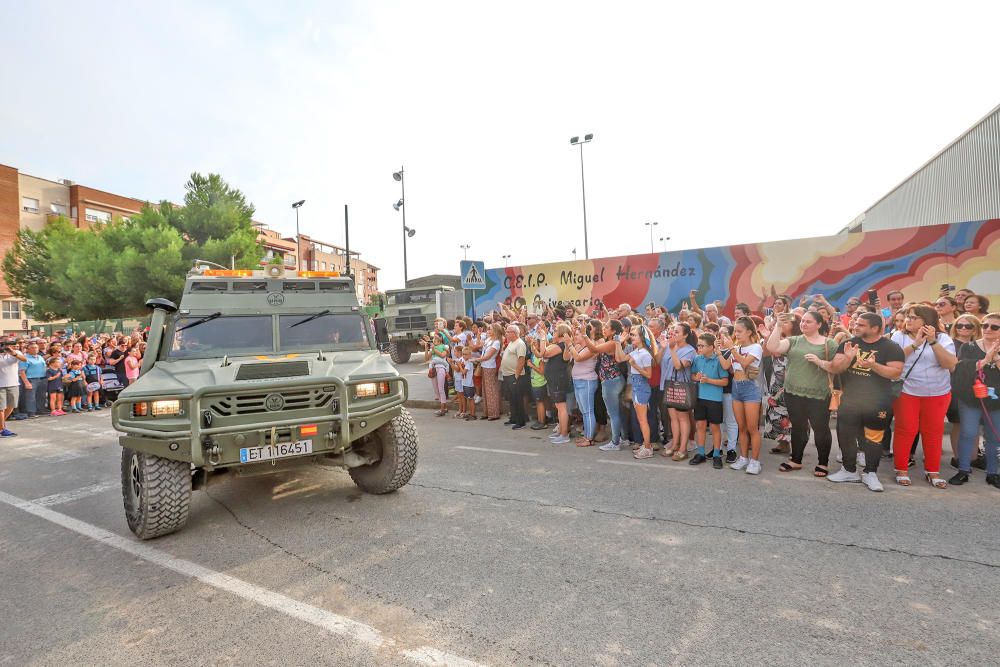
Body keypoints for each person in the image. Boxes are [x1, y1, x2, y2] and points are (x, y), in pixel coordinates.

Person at [824, 312, 905, 491]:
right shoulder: (848, 344)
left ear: (874, 328)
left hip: (878, 402)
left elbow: (895, 373)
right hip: (850, 399)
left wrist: (873, 365)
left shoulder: (891, 347)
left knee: (873, 440)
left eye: (861, 325)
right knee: (846, 435)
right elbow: (835, 368)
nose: (855, 326)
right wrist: (848, 358)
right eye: (856, 323)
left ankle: (870, 473)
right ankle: (849, 470)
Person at [890, 304, 958, 488]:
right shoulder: (899, 336)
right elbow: (894, 359)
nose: (908, 320)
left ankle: (933, 471)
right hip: (907, 391)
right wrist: (915, 344)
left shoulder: (943, 338)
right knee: (906, 430)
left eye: (914, 317)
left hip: (938, 393)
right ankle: (901, 469)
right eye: (908, 317)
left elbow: (949, 364)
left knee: (934, 432)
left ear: (927, 321)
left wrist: (933, 341)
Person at [765, 311, 837, 476]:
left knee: (821, 429)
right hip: (793, 392)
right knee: (798, 427)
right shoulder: (794, 340)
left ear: (819, 324)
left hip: (819, 394)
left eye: (809, 322)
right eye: (803, 321)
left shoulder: (829, 344)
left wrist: (820, 362)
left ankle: (823, 463)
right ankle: (795, 460)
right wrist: (778, 326)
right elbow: (772, 347)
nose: (804, 324)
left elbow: (836, 367)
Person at [948, 312, 1000, 489]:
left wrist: (997, 358)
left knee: (993, 437)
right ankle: (963, 470)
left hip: (996, 400)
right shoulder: (969, 347)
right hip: (970, 398)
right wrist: (985, 360)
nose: (988, 329)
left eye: (994, 327)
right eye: (985, 325)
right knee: (968, 433)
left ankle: (993, 473)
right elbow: (961, 370)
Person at [725, 317, 764, 474]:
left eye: (740, 331)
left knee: (752, 428)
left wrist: (732, 349)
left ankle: (755, 462)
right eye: (735, 331)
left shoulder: (756, 347)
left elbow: (746, 363)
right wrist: (720, 349)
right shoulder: (736, 347)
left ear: (749, 332)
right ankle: (743, 458)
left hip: (751, 388)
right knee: (741, 427)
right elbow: (728, 367)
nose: (737, 334)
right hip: (736, 386)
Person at [614, 325, 657, 459]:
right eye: (631, 334)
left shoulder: (644, 353)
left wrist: (635, 366)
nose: (631, 336)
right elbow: (620, 358)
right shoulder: (636, 351)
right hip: (637, 387)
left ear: (642, 337)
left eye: (634, 335)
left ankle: (648, 448)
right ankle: (646, 445)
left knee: (643, 420)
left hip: (641, 388)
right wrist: (617, 343)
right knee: (641, 419)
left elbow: (649, 375)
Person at [584, 320, 627, 452]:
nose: (604, 329)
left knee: (613, 414)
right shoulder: (614, 341)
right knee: (617, 412)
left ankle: (615, 442)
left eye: (607, 327)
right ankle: (622, 438)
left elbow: (594, 349)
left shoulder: (612, 343)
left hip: (610, 381)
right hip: (614, 380)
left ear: (614, 331)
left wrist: (584, 336)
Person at [762, 313, 800, 455]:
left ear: (795, 325)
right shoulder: (775, 336)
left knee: (794, 412)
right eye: (781, 321)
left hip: (795, 379)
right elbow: (766, 353)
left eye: (787, 321)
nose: (783, 323)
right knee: (777, 410)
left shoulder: (799, 340)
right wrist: (767, 336)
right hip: (777, 379)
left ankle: (796, 444)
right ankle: (782, 442)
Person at [690, 333, 727, 467]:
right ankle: (700, 453)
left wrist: (708, 380)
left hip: (714, 399)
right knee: (700, 426)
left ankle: (717, 454)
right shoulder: (697, 359)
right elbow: (693, 375)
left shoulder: (718, 360)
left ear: (711, 347)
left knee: (714, 427)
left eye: (702, 346)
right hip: (699, 398)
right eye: (698, 345)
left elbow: (725, 381)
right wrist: (696, 377)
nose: (699, 348)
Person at [662, 323, 697, 460]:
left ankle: (683, 448)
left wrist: (671, 350)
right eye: (673, 331)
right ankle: (674, 444)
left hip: (682, 386)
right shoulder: (672, 346)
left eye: (677, 332)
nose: (673, 334)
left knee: (683, 418)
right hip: (670, 385)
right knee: (673, 418)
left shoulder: (690, 350)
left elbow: (678, 366)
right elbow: (664, 365)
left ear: (686, 335)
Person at [536, 323, 572, 443]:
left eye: (555, 330)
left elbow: (544, 353)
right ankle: (561, 432)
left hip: (558, 379)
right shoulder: (558, 345)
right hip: (555, 379)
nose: (554, 332)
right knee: (558, 406)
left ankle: (564, 434)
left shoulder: (561, 345)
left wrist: (542, 337)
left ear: (561, 332)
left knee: (561, 407)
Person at [567, 324, 599, 445]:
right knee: (583, 410)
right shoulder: (578, 346)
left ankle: (589, 438)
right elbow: (567, 357)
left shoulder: (592, 347)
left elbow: (579, 358)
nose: (575, 336)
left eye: (577, 334)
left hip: (587, 381)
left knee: (588, 410)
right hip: (578, 380)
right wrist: (568, 345)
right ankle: (586, 435)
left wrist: (570, 344)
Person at [499, 325, 528, 430]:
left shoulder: (520, 343)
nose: (506, 333)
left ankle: (521, 421)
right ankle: (514, 418)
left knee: (517, 399)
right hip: (507, 375)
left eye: (508, 332)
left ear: (514, 333)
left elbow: (521, 360)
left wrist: (516, 375)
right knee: (511, 398)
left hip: (515, 375)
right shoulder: (511, 343)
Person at [0, 342, 27, 436]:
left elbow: (24, 359)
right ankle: (2, 429)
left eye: (7, 346)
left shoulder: (15, 352)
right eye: (3, 346)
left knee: (11, 406)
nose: (5, 347)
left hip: (14, 384)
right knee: (1, 408)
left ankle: (1, 426)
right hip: (0, 386)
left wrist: (13, 353)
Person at [478, 323, 503, 421]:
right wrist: (479, 336)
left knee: (491, 391)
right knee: (485, 391)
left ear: (495, 330)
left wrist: (475, 359)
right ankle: (487, 412)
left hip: (490, 367)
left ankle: (494, 413)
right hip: (484, 366)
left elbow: (488, 356)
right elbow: (480, 347)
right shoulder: (488, 339)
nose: (488, 331)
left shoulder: (496, 342)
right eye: (488, 329)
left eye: (490, 329)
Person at [421, 332, 451, 416]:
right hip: (433, 369)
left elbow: (442, 355)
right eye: (434, 337)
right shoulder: (433, 347)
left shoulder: (445, 346)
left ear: (441, 339)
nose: (434, 338)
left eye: (436, 337)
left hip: (441, 368)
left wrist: (434, 349)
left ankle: (442, 409)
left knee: (441, 389)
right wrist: (426, 347)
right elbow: (426, 359)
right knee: (436, 390)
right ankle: (444, 407)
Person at [17, 342, 48, 418]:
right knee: (30, 397)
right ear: (27, 349)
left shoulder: (40, 357)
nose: (35, 349)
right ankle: (31, 412)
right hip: (31, 379)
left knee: (41, 396)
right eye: (32, 348)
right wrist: (26, 382)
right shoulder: (24, 358)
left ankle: (40, 410)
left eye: (36, 347)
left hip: (42, 378)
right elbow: (22, 371)